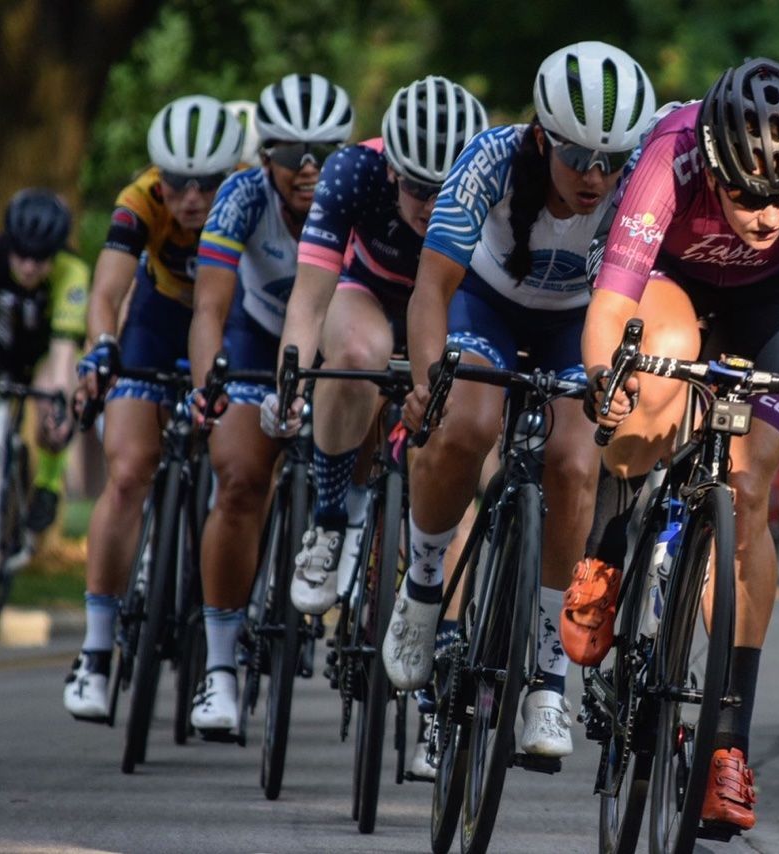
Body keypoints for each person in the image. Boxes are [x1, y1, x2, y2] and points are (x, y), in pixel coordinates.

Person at [578, 58, 779, 830]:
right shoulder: (672, 152)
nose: (769, 215)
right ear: (713, 165)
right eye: (746, 194)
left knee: (748, 490)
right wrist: (611, 384)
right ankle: (607, 546)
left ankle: (725, 745)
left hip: (767, 305)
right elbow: (609, 310)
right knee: (653, 383)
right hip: (663, 283)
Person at [382, 41, 656, 761]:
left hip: (577, 321)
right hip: (485, 306)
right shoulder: (490, 159)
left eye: (613, 160)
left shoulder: (632, 186)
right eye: (578, 158)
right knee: (466, 421)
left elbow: (633, 304)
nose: (596, 177)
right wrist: (424, 380)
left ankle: (545, 679)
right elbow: (432, 287)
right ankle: (422, 588)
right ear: (542, 137)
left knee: (573, 461)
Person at [277, 74, 487, 776]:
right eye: (418, 190)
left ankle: (437, 704)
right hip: (370, 296)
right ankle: (333, 517)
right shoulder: (351, 172)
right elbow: (308, 301)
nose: (433, 206)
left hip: (451, 310)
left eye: (446, 190)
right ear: (390, 167)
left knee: (454, 497)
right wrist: (292, 379)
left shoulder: (491, 181)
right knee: (355, 356)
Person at [63, 95, 242, 722]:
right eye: (177, 182)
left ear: (232, 174)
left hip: (230, 320)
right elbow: (108, 289)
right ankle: (96, 651)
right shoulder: (140, 197)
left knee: (240, 470)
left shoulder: (251, 197)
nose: (190, 198)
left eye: (207, 184)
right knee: (129, 472)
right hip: (160, 319)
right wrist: (101, 347)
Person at [186, 73, 354, 734]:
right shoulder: (240, 196)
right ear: (266, 158)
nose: (309, 168)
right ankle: (220, 670)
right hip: (256, 342)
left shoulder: (355, 196)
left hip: (335, 341)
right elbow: (208, 307)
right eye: (292, 154)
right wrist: (209, 387)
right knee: (240, 481)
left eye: (324, 152)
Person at [0, 190, 88, 549]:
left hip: (43, 356)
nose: (29, 266)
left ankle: (47, 483)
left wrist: (58, 402)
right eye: (22, 255)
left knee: (53, 406)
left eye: (40, 258)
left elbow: (63, 348)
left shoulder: (72, 273)